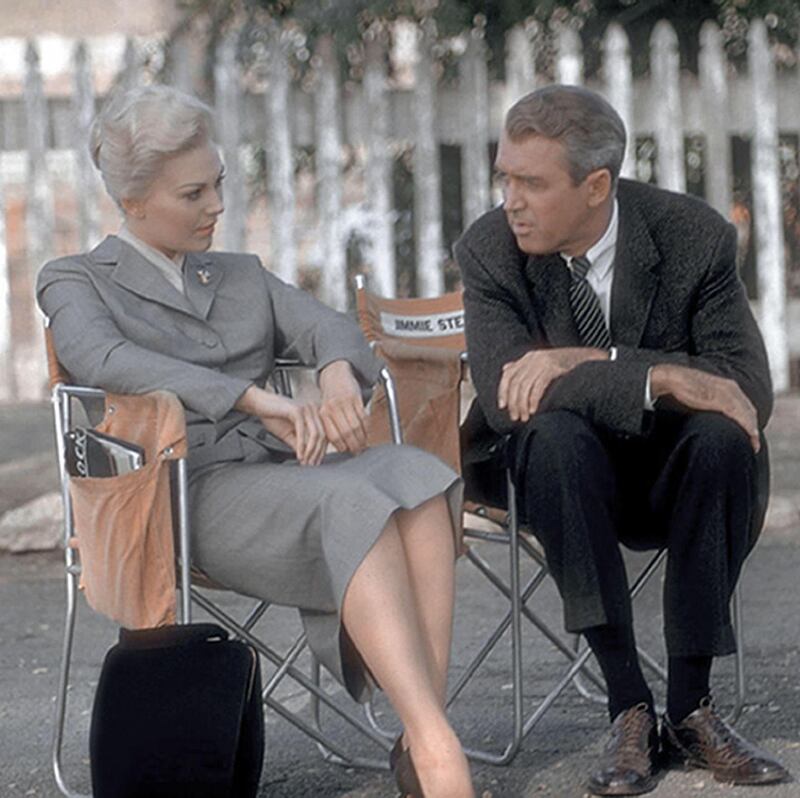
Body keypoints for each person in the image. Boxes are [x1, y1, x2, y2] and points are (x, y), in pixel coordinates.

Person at [37, 84, 475, 798]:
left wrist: (336, 375)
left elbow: (330, 326)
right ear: (133, 200)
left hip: (284, 474)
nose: (216, 205)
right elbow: (104, 359)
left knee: (419, 478)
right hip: (182, 497)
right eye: (193, 193)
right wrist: (250, 398)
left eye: (218, 184)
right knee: (352, 504)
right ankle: (438, 750)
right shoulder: (74, 280)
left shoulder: (239, 273)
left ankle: (421, 730)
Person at [455, 84, 789, 796]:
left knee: (723, 439)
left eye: (532, 183)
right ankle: (628, 706)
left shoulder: (692, 236)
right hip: (555, 479)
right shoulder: (490, 250)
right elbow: (508, 393)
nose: (511, 200)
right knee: (553, 435)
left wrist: (587, 360)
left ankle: (691, 708)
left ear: (597, 186)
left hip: (670, 472)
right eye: (505, 177)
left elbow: (743, 391)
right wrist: (664, 375)